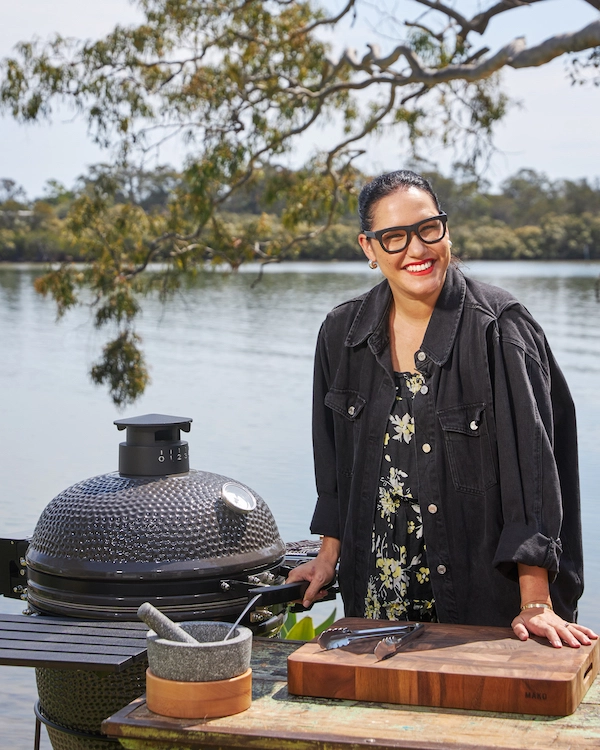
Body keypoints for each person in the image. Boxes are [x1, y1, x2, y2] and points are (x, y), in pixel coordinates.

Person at [287, 169, 597, 649]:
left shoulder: (499, 329)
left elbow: (533, 476)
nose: (417, 250)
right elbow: (333, 469)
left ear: (445, 229)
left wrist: (536, 599)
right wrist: (328, 558)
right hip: (375, 602)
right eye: (394, 237)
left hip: (481, 608)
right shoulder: (341, 334)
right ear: (368, 248)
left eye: (428, 229)